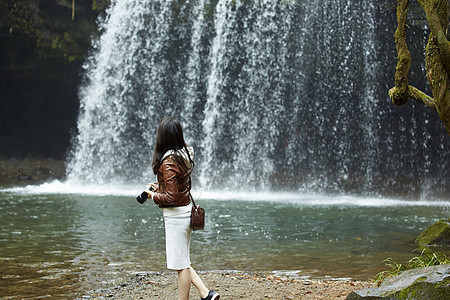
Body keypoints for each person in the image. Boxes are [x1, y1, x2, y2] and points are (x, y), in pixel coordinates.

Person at [145, 117, 220, 300]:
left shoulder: (168, 161)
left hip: (176, 216)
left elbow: (171, 197)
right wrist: (159, 186)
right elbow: (177, 186)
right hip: (184, 210)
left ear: (163, 137)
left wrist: (152, 195)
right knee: (182, 260)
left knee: (181, 265)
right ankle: (206, 294)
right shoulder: (183, 155)